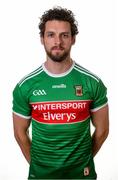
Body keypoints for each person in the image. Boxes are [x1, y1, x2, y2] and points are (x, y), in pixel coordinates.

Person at [12, 6, 109, 179]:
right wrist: (39, 165)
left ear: (73, 39)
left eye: (64, 35)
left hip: (82, 176)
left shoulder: (92, 83)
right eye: (51, 35)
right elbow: (20, 134)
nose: (58, 41)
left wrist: (82, 161)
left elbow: (102, 131)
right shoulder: (25, 86)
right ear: (42, 39)